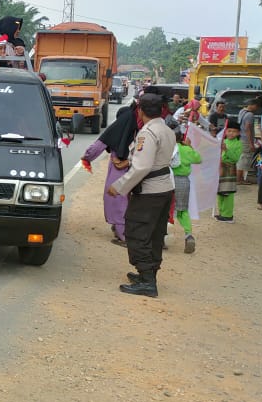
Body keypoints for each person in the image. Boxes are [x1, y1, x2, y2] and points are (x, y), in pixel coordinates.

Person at [108, 94, 176, 298]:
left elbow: (143, 166)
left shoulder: (147, 133)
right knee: (155, 232)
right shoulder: (166, 129)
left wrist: (119, 186)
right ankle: (149, 274)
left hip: (149, 190)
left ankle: (147, 280)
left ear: (140, 111)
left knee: (137, 231)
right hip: (165, 187)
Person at [82, 101, 140, 245]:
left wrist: (87, 157)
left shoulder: (117, 130)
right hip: (132, 168)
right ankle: (120, 229)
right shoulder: (134, 130)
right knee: (122, 200)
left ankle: (123, 235)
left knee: (117, 199)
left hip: (119, 168)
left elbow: (98, 146)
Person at [170, 130, 202, 253]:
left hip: (167, 180)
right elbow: (198, 159)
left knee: (166, 209)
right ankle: (188, 235)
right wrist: (189, 146)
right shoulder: (186, 150)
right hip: (183, 181)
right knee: (182, 211)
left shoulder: (168, 148)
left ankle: (163, 236)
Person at [216, 121, 243, 222]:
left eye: (234, 131)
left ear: (238, 133)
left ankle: (228, 215)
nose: (231, 133)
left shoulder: (238, 144)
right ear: (225, 131)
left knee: (228, 193)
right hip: (220, 169)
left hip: (230, 169)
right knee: (220, 192)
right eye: (229, 131)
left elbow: (235, 158)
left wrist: (226, 150)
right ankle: (221, 213)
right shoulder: (222, 141)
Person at [236, 97, 262, 185]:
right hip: (246, 139)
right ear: (253, 105)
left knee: (241, 158)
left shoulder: (242, 111)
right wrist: (251, 143)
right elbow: (248, 128)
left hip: (241, 138)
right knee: (244, 159)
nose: (257, 109)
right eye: (257, 107)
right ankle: (239, 179)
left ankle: (240, 178)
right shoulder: (250, 115)